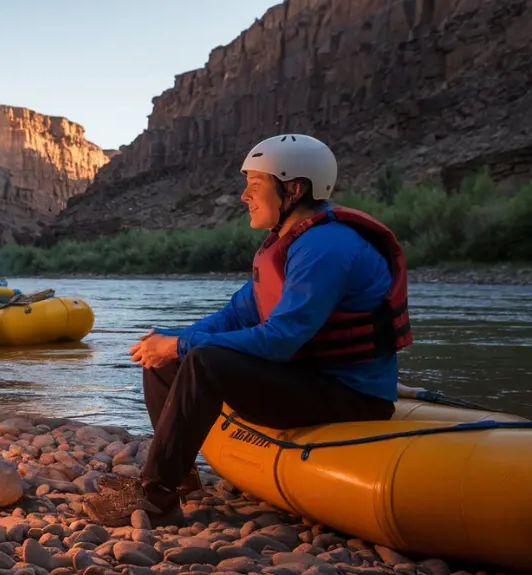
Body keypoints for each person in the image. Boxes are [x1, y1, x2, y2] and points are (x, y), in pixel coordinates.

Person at [83, 134, 413, 526]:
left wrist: (183, 345)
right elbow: (232, 316)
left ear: (293, 188)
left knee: (201, 359)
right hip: (308, 378)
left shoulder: (326, 247)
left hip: (351, 397)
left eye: (255, 186)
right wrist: (167, 340)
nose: (244, 197)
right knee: (165, 354)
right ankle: (179, 478)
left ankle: (156, 498)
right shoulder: (288, 243)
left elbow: (280, 339)